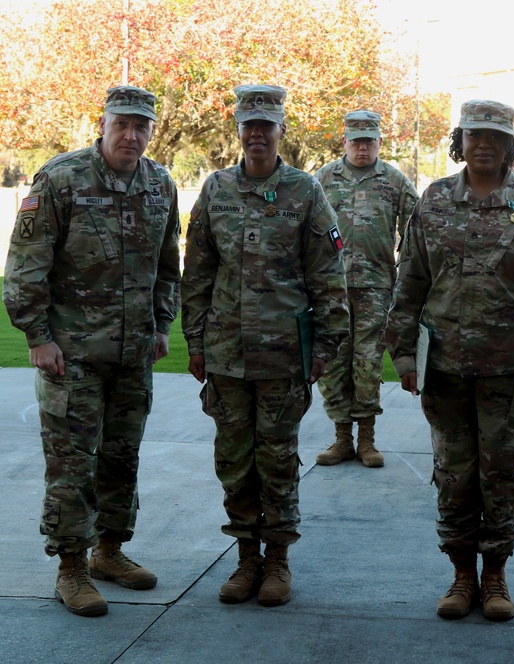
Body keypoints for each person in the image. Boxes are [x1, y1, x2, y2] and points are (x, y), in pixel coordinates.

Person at [384, 99, 514, 622]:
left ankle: (495, 574)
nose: (485, 145)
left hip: (511, 365)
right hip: (444, 365)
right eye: (475, 135)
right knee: (453, 472)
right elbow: (411, 283)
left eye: (496, 137)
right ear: (461, 140)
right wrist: (404, 352)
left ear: (511, 144)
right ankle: (460, 575)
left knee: (499, 471)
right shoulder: (434, 199)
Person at [3, 86, 181, 617]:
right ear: (101, 124)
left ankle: (110, 552)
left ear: (151, 130)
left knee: (122, 459)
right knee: (71, 465)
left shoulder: (160, 183)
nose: (131, 135)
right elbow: (25, 266)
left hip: (133, 353)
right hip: (71, 354)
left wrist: (161, 325)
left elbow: (168, 264)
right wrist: (37, 336)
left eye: (141, 126)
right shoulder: (61, 178)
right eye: (121, 124)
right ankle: (71, 569)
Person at [181, 85, 350, 607]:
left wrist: (325, 346)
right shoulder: (216, 190)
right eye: (249, 125)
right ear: (239, 130)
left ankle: (277, 561)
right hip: (227, 354)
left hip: (283, 356)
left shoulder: (305, 191)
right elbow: (199, 271)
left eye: (266, 125)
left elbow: (328, 274)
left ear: (281, 130)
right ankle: (244, 560)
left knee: (277, 460)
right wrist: (195, 340)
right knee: (234, 460)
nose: (257, 134)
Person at [313, 110, 417, 469]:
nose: (362, 147)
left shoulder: (393, 180)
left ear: (379, 143)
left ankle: (367, 440)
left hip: (376, 286)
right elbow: (302, 229)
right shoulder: (323, 178)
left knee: (368, 363)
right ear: (345, 141)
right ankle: (342, 438)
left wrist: (406, 272)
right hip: (331, 288)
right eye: (356, 141)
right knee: (334, 364)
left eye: (369, 141)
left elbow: (416, 230)